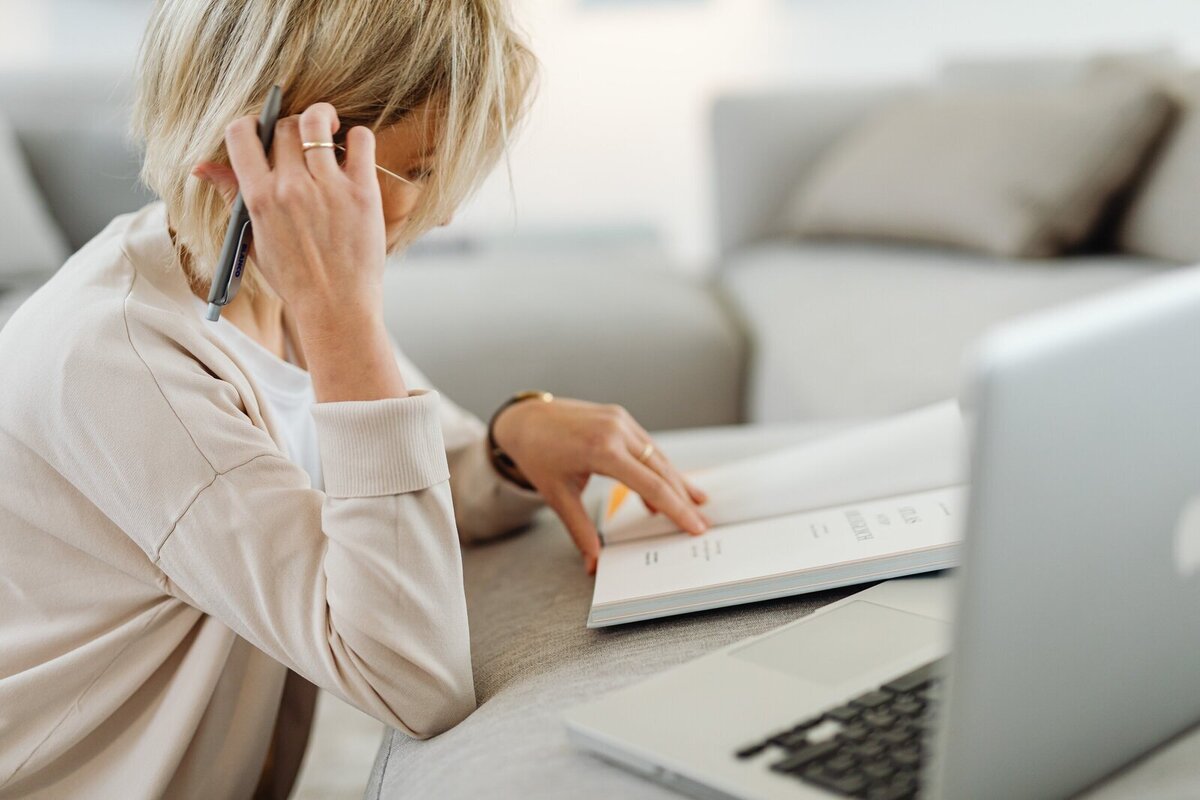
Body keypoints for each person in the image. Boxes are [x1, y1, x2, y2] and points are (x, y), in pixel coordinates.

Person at [0, 1, 709, 797]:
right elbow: (412, 678)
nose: (439, 215)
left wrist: (511, 442)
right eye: (426, 170)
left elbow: (419, 482)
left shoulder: (260, 290)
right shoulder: (124, 363)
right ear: (279, 153)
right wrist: (343, 316)